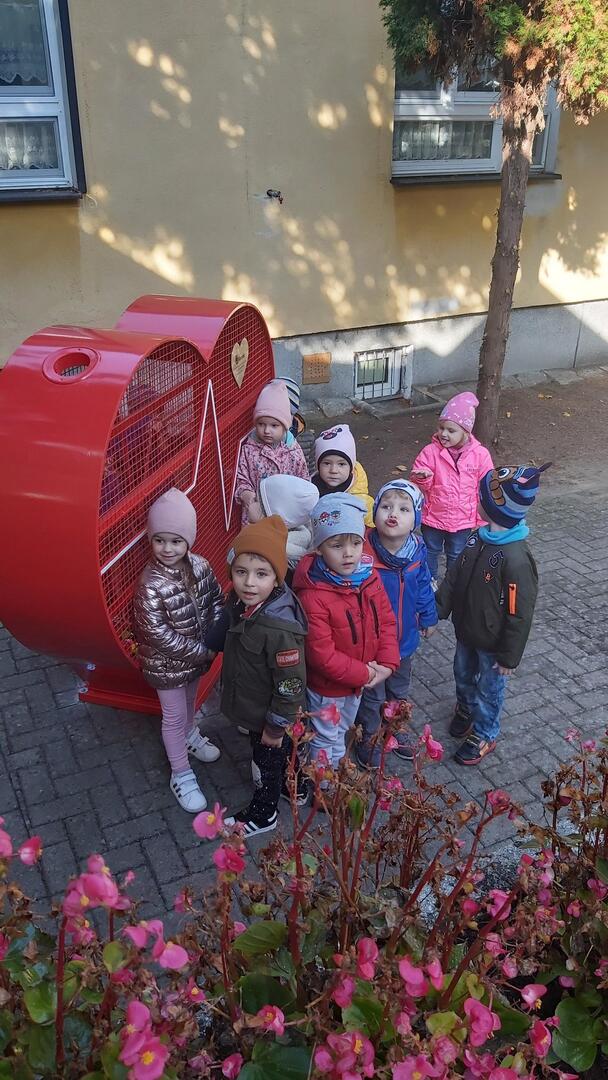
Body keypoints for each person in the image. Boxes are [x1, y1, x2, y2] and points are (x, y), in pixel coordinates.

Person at [435, 463, 549, 766]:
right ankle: (465, 708)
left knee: (490, 689)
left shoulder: (516, 559)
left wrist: (509, 656)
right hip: (466, 630)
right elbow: (454, 575)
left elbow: (520, 612)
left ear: (497, 508)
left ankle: (485, 731)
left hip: (493, 644)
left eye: (480, 498)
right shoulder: (478, 538)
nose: (476, 501)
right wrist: (437, 609)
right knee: (462, 673)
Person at [212, 515, 308, 837]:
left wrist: (274, 727)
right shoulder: (243, 603)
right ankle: (294, 786)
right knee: (284, 757)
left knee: (267, 760)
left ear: (277, 579)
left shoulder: (278, 630)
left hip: (269, 717)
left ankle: (263, 813)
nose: (249, 583)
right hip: (257, 709)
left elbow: (290, 684)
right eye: (241, 572)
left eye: (261, 574)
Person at [293, 493, 400, 769]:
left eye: (355, 542)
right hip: (329, 687)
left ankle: (337, 767)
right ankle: (324, 783)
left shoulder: (368, 576)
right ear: (318, 549)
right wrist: (366, 673)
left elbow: (386, 621)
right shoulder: (313, 595)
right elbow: (321, 655)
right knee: (323, 735)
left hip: (358, 681)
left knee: (344, 727)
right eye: (336, 545)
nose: (349, 553)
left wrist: (387, 664)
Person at [133, 489, 223, 812]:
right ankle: (181, 774)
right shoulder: (149, 583)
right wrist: (203, 651)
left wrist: (213, 639)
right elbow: (157, 634)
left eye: (176, 540)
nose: (167, 548)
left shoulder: (200, 566)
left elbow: (215, 601)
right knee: (172, 715)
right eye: (160, 540)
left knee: (189, 702)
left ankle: (190, 734)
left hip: (197, 658)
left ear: (189, 540)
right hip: (166, 666)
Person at [356, 480, 438, 768]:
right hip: (372, 644)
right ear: (375, 511)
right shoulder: (362, 553)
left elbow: (425, 586)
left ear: (416, 518)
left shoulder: (417, 550)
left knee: (398, 691)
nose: (393, 513)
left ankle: (396, 730)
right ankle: (369, 737)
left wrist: (429, 615)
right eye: (386, 506)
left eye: (404, 509)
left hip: (404, 641)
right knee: (372, 695)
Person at [410, 393, 494, 586]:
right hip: (433, 517)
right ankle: (429, 581)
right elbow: (419, 485)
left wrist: (480, 520)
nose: (444, 434)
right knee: (430, 550)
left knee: (457, 553)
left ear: (466, 432)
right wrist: (422, 478)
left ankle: (453, 584)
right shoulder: (430, 452)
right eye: (441, 428)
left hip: (463, 521)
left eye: (451, 430)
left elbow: (486, 489)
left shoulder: (480, 455)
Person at [235, 380, 309, 526]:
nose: (267, 430)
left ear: (285, 427)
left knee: (287, 543)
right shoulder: (249, 449)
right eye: (261, 424)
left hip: (287, 512)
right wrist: (247, 495)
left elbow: (304, 479)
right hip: (257, 514)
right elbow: (242, 477)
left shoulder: (293, 450)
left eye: (274, 425)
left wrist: (300, 502)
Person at [311, 425, 374, 525]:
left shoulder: (361, 502)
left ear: (351, 468)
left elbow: (370, 531)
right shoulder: (308, 491)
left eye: (341, 464)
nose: (333, 470)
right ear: (318, 466)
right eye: (327, 463)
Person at [258, 474, 319, 577]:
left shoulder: (278, 548)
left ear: (269, 512)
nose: (249, 502)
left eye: (256, 500)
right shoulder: (300, 532)